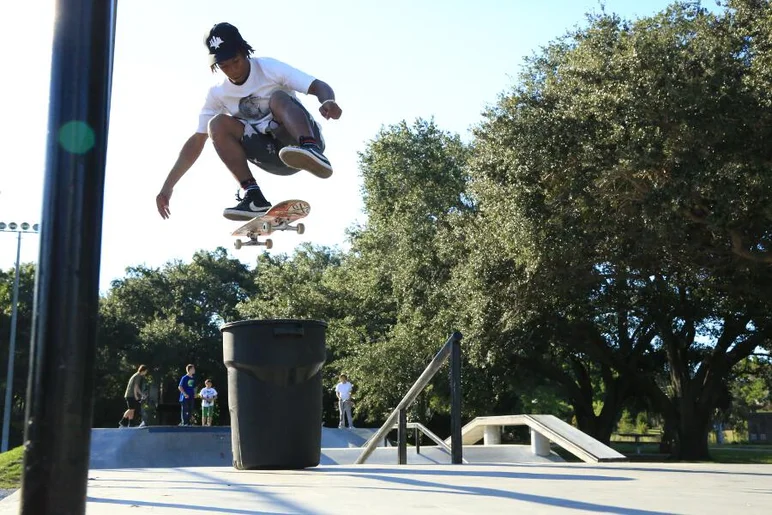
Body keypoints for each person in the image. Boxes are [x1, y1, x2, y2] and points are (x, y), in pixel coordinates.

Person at [156, 22, 343, 222]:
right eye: (224, 66)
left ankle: (311, 150)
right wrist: (168, 187)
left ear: (244, 52)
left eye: (235, 61)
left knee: (278, 98)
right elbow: (196, 142)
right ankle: (254, 196)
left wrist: (328, 101)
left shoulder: (269, 68)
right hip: (271, 156)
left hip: (299, 137)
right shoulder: (218, 94)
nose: (232, 70)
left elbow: (317, 85)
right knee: (216, 125)